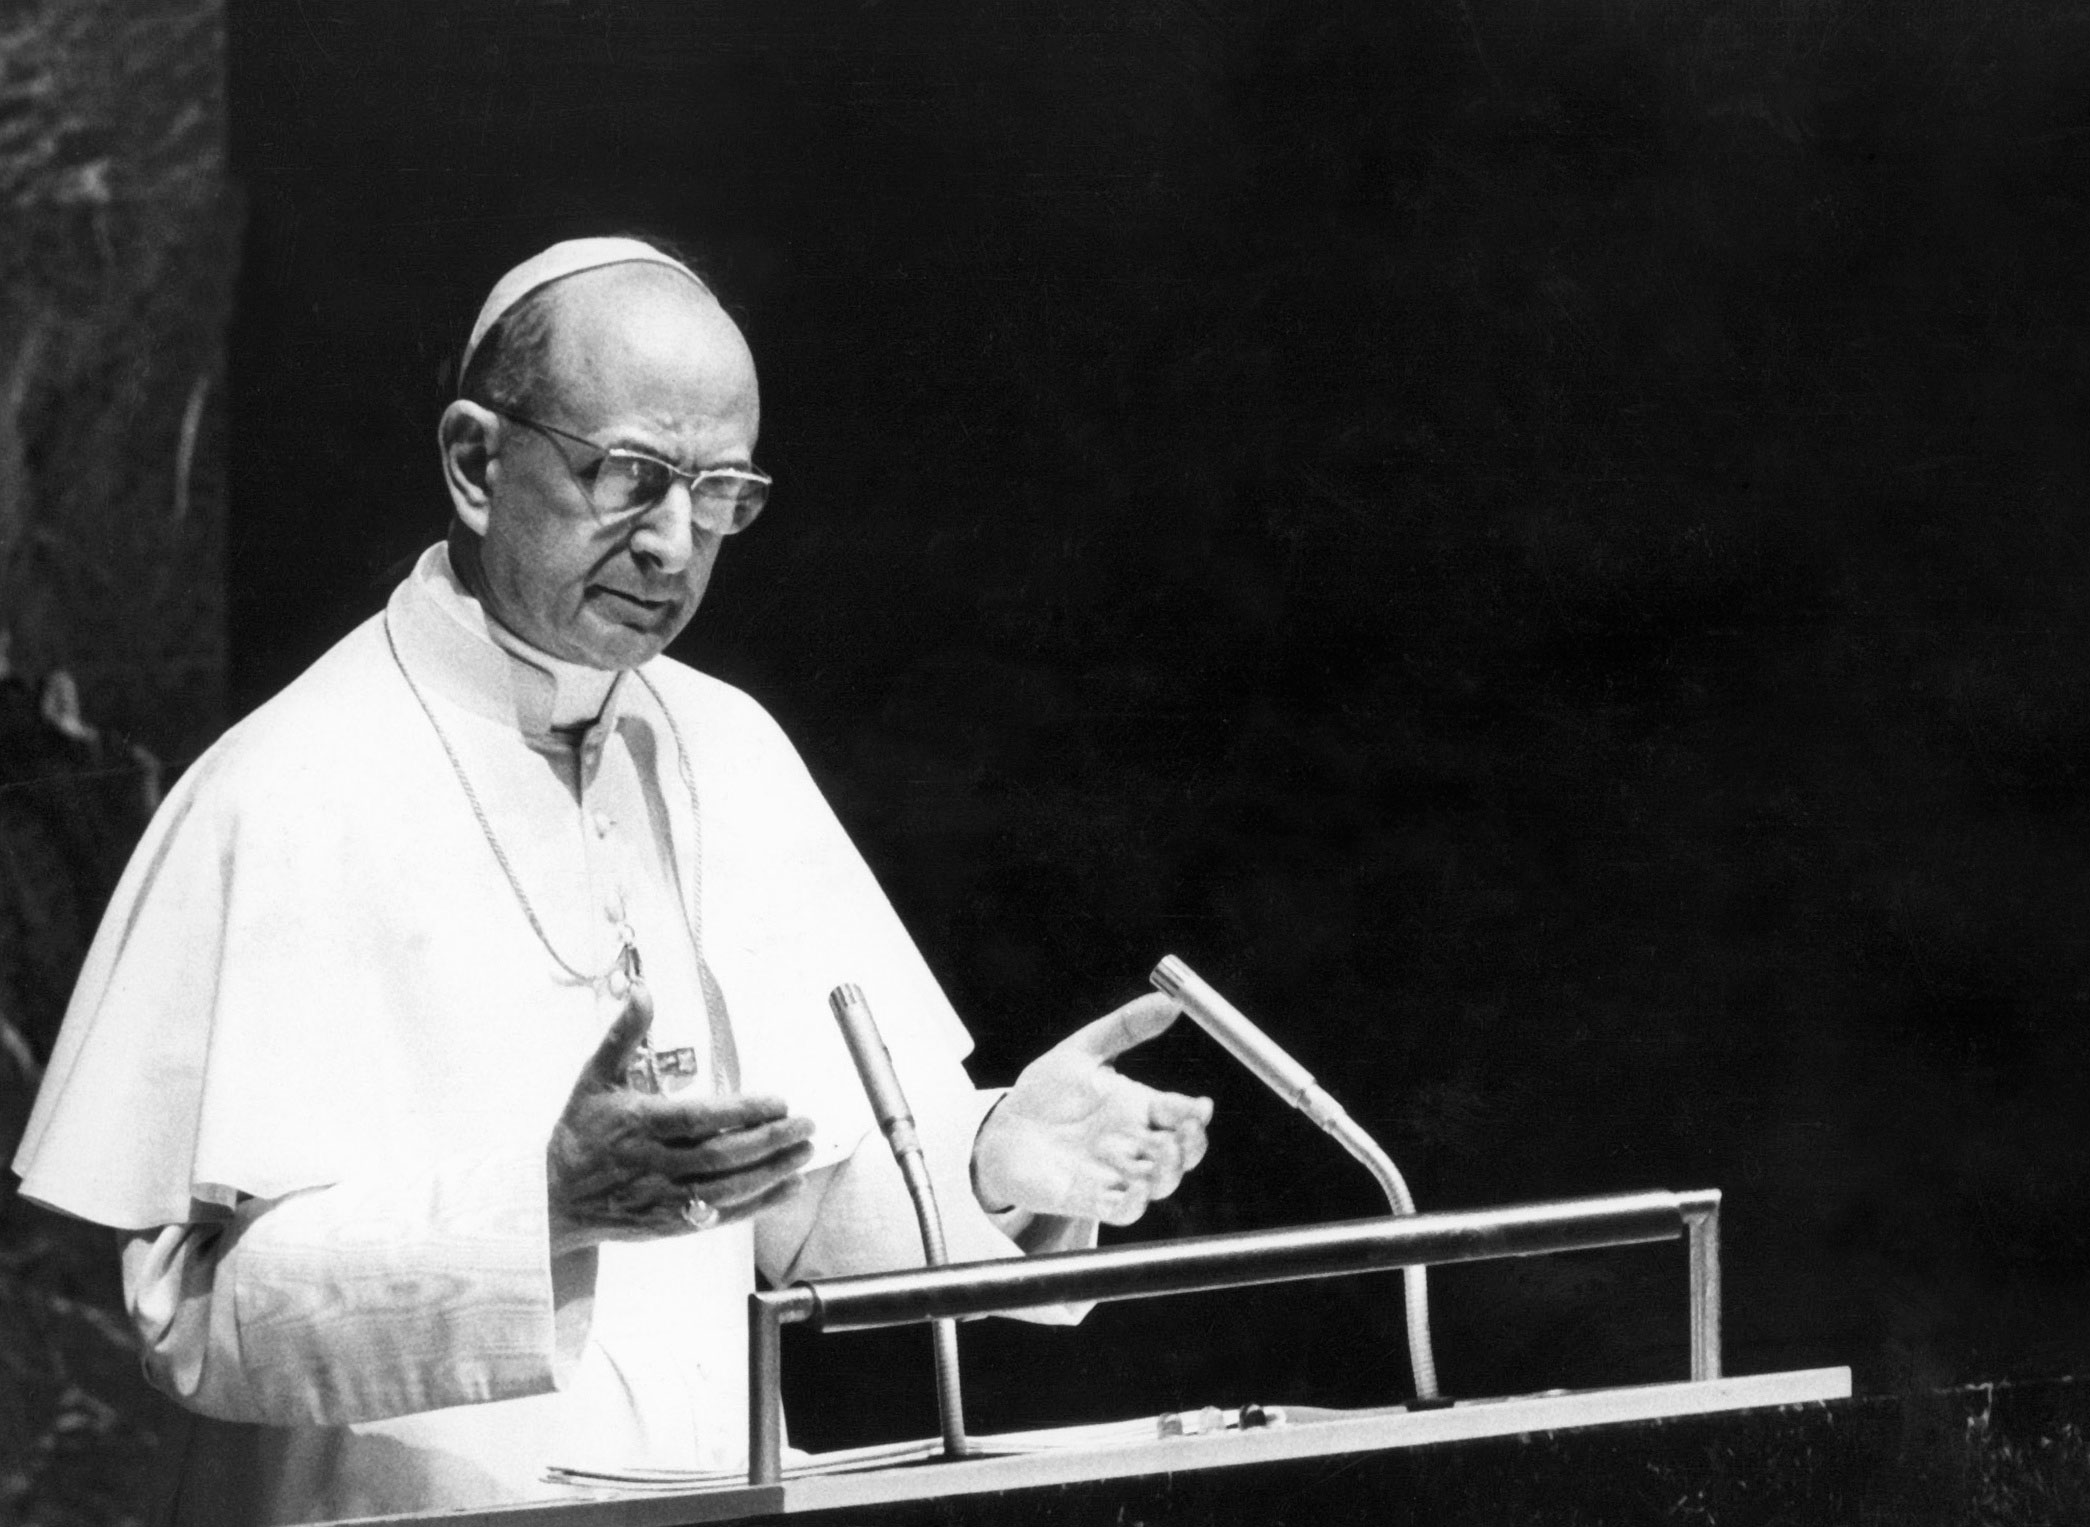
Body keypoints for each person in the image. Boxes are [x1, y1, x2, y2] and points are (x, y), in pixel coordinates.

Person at [10, 237, 1213, 1521]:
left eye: (723, 492)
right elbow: (194, 1319)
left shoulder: (730, 749)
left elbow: (791, 1214)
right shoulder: (283, 788)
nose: (676, 544)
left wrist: (993, 1167)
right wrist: (538, 1209)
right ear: (477, 463)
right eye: (631, 476)